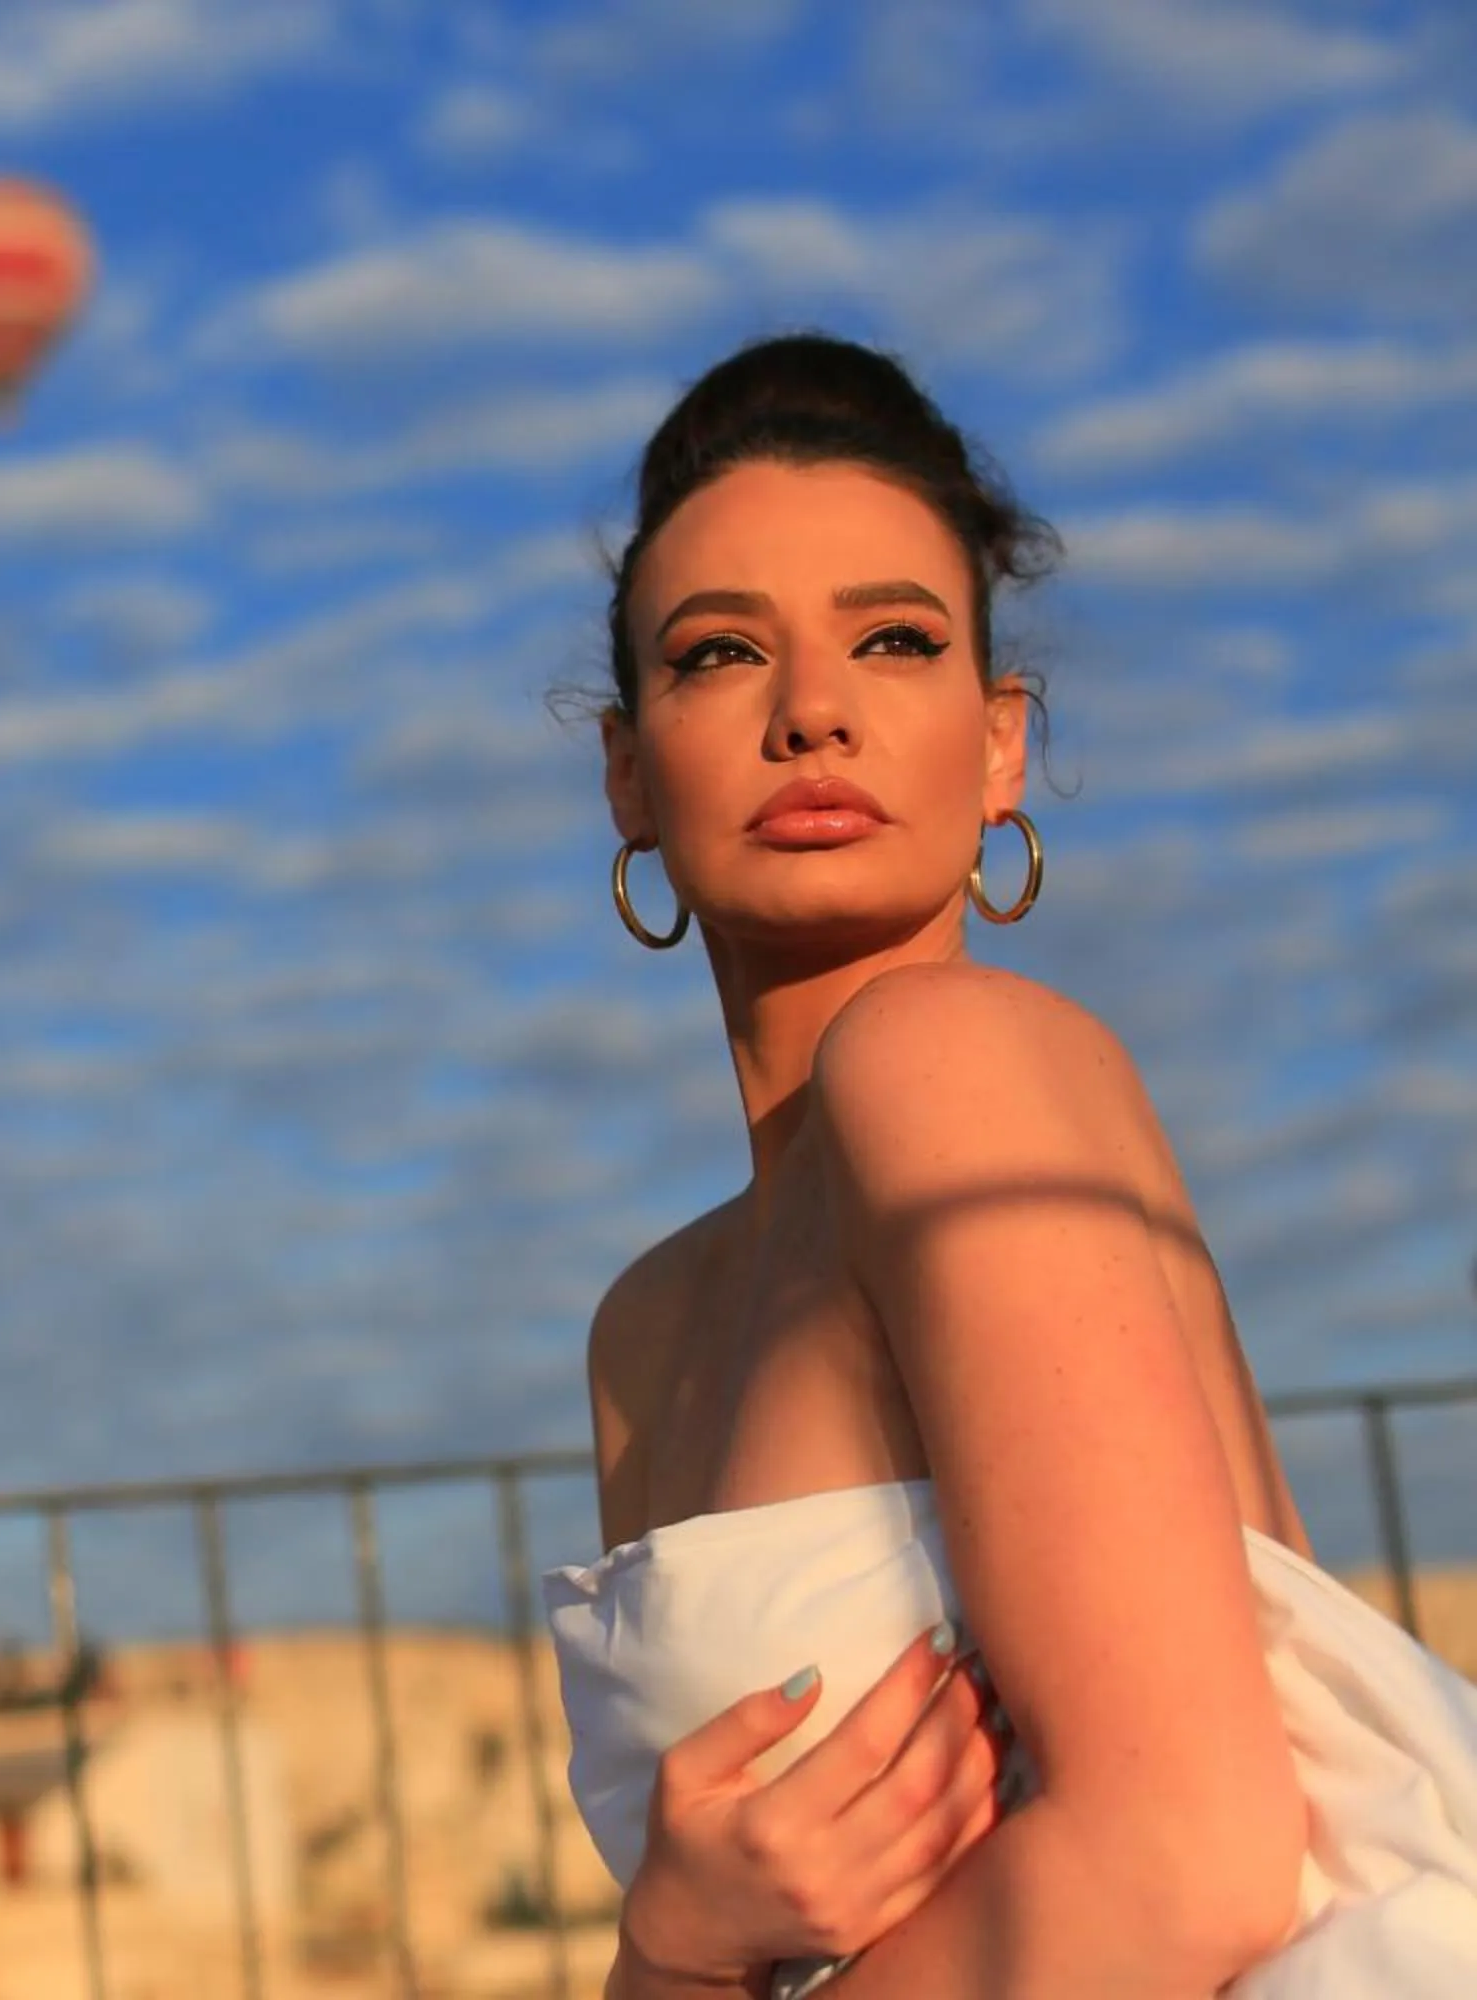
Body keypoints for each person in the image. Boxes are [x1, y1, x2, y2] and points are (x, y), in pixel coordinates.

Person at [533, 330, 1477, 1997]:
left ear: (997, 746)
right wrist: (668, 1943)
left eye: (894, 641)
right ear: (627, 771)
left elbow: (1181, 1864)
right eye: (717, 654)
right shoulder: (647, 1328)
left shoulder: (951, 1064)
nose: (810, 711)